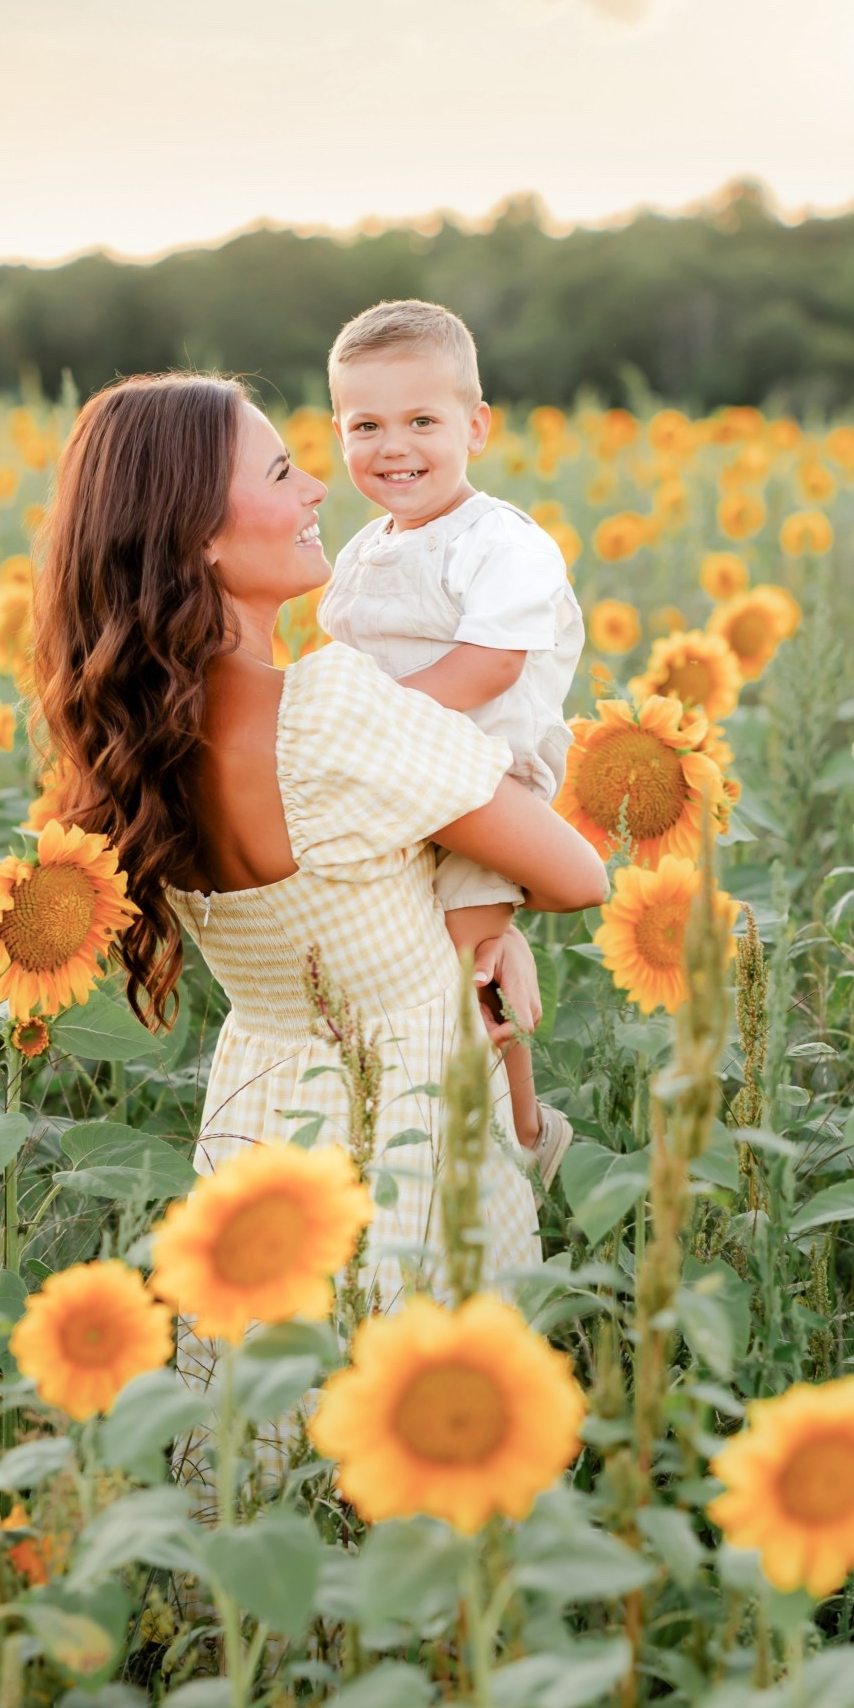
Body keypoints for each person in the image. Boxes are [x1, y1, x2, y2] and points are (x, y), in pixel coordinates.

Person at [31, 374, 608, 1307]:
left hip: (259, 1132)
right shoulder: (331, 709)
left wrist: (473, 920)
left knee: (272, 1385)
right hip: (409, 1135)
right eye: (280, 472)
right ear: (199, 535)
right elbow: (578, 875)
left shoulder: (131, 745)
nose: (315, 489)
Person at [320, 299, 584, 1182]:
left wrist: (367, 722)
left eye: (421, 422)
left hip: (483, 781)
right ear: (338, 433)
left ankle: (523, 1138)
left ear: (475, 427)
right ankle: (404, 1131)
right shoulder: (364, 549)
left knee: (473, 971)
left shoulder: (500, 542)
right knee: (396, 971)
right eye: (367, 426)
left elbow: (489, 668)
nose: (393, 446)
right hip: (393, 781)